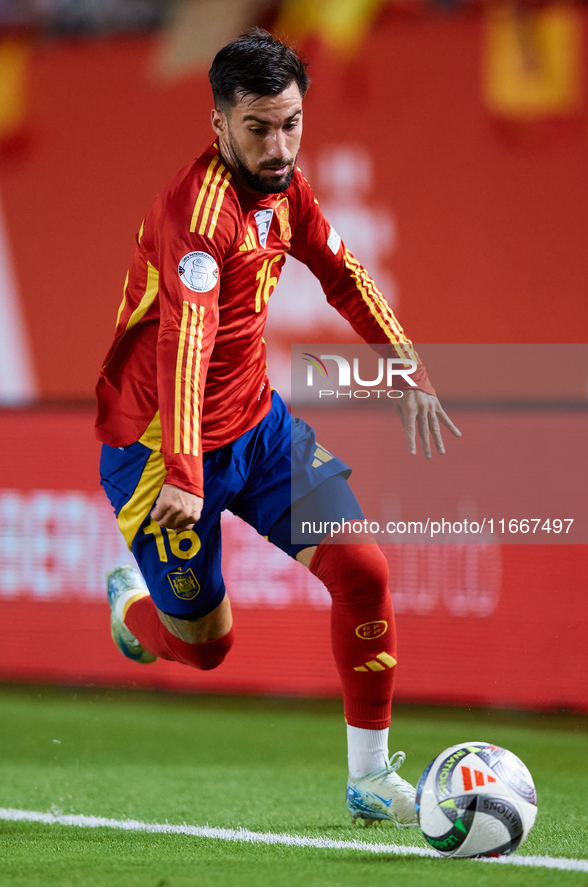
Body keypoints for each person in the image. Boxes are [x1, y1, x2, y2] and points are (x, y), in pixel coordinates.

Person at [95, 28, 460, 829]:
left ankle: (369, 778)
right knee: (207, 646)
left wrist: (405, 367)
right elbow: (182, 347)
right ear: (218, 123)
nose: (278, 144)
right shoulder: (197, 217)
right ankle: (132, 610)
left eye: (291, 123)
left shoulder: (284, 190)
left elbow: (343, 273)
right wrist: (187, 478)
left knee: (361, 568)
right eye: (258, 127)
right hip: (160, 454)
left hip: (256, 428)